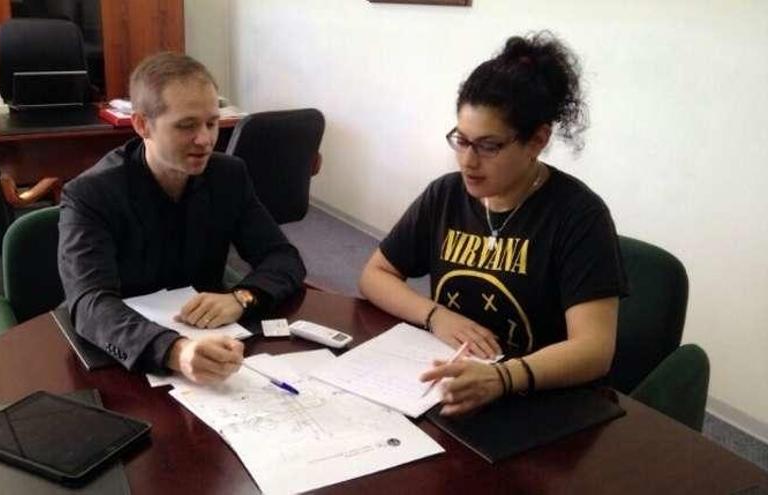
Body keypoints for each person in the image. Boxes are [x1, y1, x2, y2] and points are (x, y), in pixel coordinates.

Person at [359, 32, 627, 416]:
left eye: (488, 146)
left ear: (537, 140)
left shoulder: (578, 215)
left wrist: (504, 378)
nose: (468, 161)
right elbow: (375, 274)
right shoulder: (446, 195)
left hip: (537, 400)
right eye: (461, 140)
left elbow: (594, 350)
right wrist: (436, 315)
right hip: (454, 388)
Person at [58, 52, 306, 383]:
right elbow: (90, 304)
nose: (205, 140)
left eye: (212, 123)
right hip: (125, 357)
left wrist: (240, 298)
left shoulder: (228, 175)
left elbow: (282, 257)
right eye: (186, 125)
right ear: (142, 124)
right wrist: (175, 351)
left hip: (213, 345)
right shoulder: (90, 194)